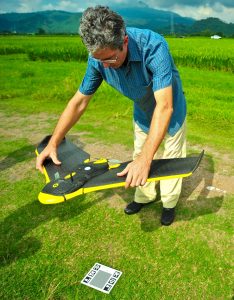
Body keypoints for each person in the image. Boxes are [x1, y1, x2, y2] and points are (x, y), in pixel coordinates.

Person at [36, 6, 186, 226]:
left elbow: (164, 107)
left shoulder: (154, 47)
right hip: (143, 113)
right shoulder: (98, 59)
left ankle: (169, 204)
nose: (105, 66)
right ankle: (144, 197)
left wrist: (147, 159)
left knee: (170, 163)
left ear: (124, 41)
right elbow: (79, 102)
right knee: (138, 157)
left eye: (110, 59)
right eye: (99, 60)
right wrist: (54, 142)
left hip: (171, 114)